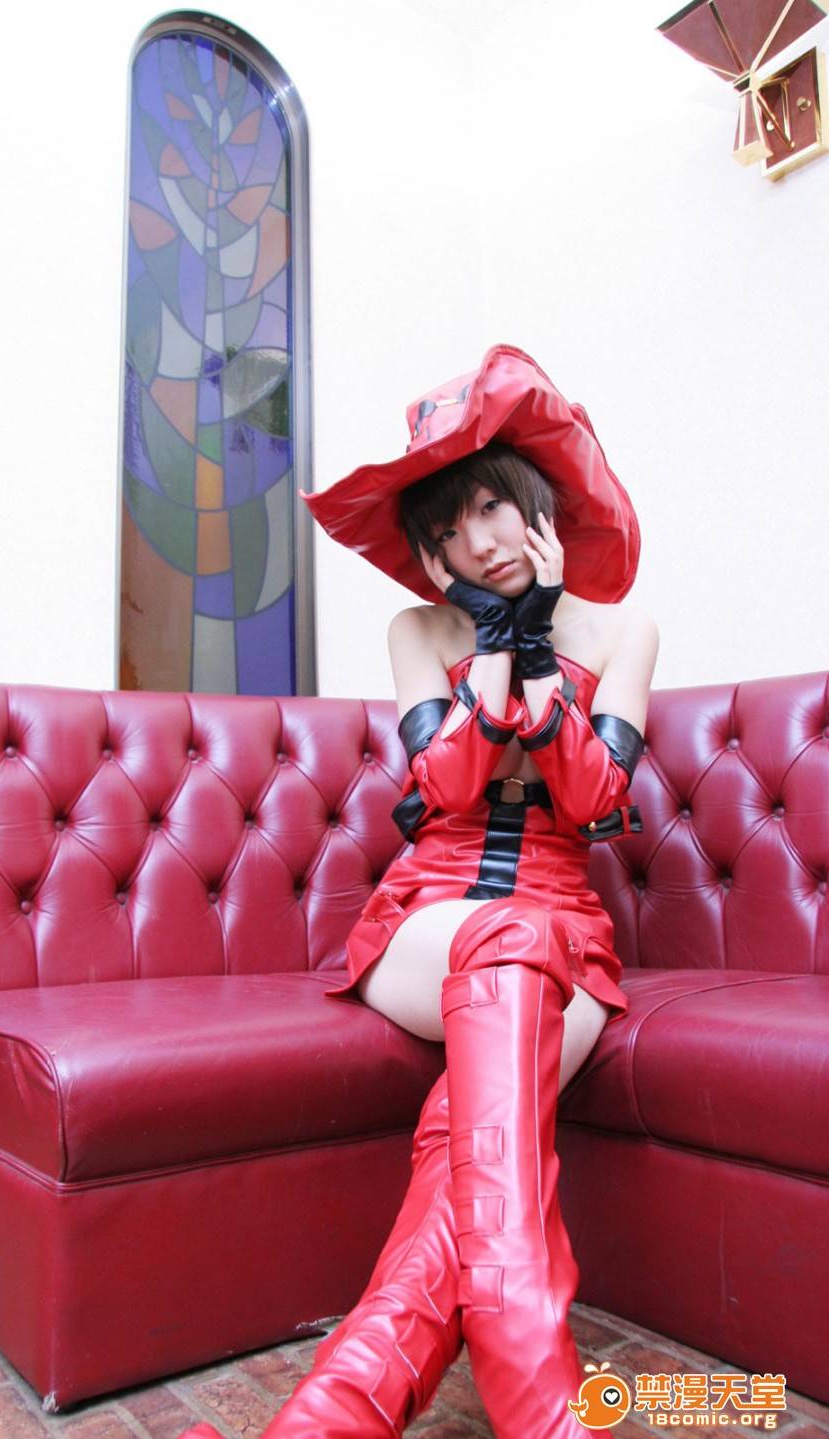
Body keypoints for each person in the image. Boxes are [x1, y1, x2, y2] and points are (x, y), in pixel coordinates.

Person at [179, 345, 658, 1439]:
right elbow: (441, 787)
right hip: (427, 921)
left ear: (534, 502)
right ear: (432, 555)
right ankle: (546, 1408)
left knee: (467, 1152)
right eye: (449, 527)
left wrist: (539, 646)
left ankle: (322, 1424)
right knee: (504, 940)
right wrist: (492, 647)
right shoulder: (419, 632)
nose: (479, 539)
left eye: (491, 505)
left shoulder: (624, 630)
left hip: (566, 935)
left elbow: (595, 801)